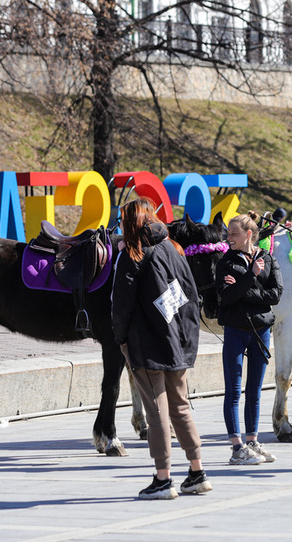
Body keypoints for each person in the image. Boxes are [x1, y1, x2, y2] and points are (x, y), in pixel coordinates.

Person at [111, 198, 212, 500]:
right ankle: (197, 472)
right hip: (177, 343)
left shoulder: (133, 255)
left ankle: (163, 478)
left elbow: (121, 306)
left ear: (130, 222)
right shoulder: (172, 247)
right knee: (181, 407)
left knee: (156, 412)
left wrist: (121, 338)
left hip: (146, 345)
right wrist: (184, 337)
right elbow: (189, 296)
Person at [216, 212, 284, 465]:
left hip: (261, 331)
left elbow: (275, 295)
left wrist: (244, 288)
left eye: (233, 234)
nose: (228, 238)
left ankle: (253, 441)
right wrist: (251, 276)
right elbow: (227, 296)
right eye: (227, 233)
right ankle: (237, 447)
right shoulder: (225, 262)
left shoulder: (267, 258)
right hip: (235, 330)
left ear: (248, 235)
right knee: (233, 391)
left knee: (254, 391)